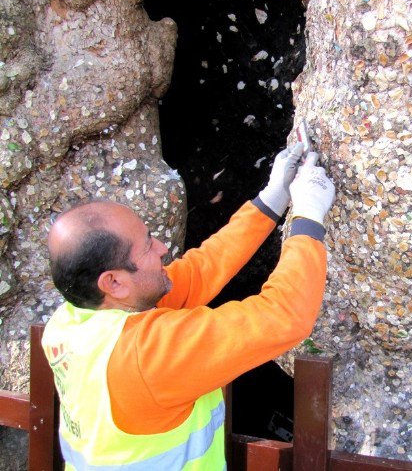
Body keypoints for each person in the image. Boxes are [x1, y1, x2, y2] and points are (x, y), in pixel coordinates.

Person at [42, 143, 335, 470]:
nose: (163, 248)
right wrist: (308, 215)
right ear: (113, 282)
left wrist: (272, 199)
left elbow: (200, 269)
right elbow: (282, 316)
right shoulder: (148, 357)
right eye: (147, 246)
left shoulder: (74, 319)